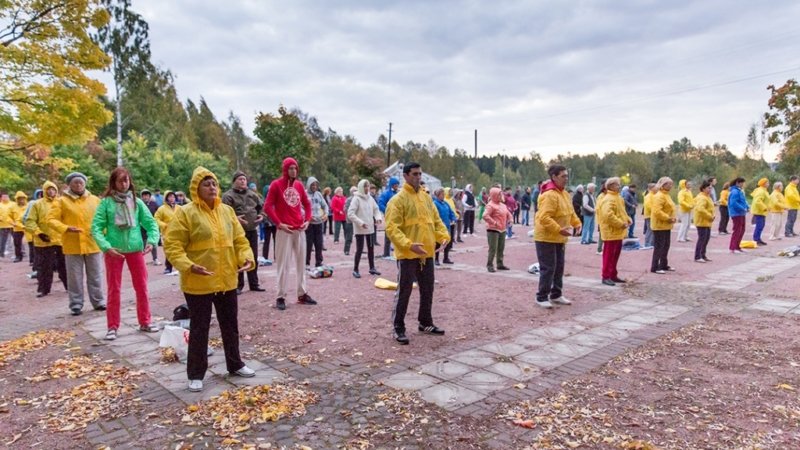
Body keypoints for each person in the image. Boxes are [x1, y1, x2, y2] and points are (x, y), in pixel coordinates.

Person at [163, 167, 257, 393]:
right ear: (196, 188)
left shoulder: (226, 211)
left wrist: (245, 257)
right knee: (200, 328)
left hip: (226, 279)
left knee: (230, 324)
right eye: (206, 184)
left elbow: (240, 240)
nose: (212, 188)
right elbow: (172, 245)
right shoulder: (185, 213)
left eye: (214, 183)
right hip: (198, 282)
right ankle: (195, 374)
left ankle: (235, 364)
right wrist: (189, 266)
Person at [91, 167, 160, 340]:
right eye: (121, 180)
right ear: (113, 182)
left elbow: (151, 223)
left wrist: (152, 241)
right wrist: (106, 247)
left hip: (136, 250)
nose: (124, 184)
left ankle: (145, 321)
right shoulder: (106, 203)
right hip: (114, 251)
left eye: (127, 180)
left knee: (142, 287)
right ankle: (112, 326)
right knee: (114, 289)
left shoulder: (136, 202)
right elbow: (96, 228)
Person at [385, 162, 450, 345]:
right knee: (404, 291)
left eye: (420, 174)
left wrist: (444, 236)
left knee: (428, 289)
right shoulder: (397, 200)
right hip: (408, 254)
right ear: (405, 176)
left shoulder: (426, 198)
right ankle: (398, 327)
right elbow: (391, 228)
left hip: (427, 253)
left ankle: (425, 322)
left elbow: (436, 221)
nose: (418, 177)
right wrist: (408, 245)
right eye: (414, 174)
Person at [46, 172, 106, 315]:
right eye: (75, 182)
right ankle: (76, 304)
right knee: (74, 277)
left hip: (93, 243)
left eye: (81, 182)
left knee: (96, 274)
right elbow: (51, 220)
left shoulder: (95, 200)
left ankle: (98, 301)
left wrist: (101, 231)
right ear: (69, 185)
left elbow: (104, 219)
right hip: (72, 245)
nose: (78, 185)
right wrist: (66, 228)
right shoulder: (61, 201)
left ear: (85, 183)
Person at [263, 157, 318, 311]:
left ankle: (302, 293)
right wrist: (279, 223)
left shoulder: (299, 185)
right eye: (290, 168)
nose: (293, 171)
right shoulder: (276, 185)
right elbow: (267, 206)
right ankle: (281, 296)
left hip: (299, 229)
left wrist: (307, 220)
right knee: (283, 264)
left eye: (295, 168)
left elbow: (307, 204)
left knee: (302, 263)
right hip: (284, 230)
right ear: (285, 169)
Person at [534, 165, 582, 308]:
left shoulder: (565, 194)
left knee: (559, 267)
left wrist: (577, 223)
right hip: (546, 237)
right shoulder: (549, 194)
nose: (566, 179)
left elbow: (570, 212)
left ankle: (556, 294)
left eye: (567, 176)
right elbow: (544, 217)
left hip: (559, 238)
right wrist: (559, 229)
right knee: (548, 268)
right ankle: (541, 297)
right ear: (554, 177)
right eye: (563, 176)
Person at [222, 171, 266, 294]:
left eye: (244, 179)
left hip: (252, 230)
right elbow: (223, 213)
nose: (243, 181)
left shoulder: (253, 195)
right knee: (237, 259)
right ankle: (238, 285)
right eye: (240, 179)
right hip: (235, 233)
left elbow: (262, 206)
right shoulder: (228, 196)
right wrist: (235, 218)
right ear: (234, 181)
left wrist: (262, 215)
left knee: (253, 257)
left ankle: (254, 283)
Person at [25, 181, 68, 297]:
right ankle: (44, 289)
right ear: (44, 191)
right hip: (43, 241)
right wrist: (39, 233)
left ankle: (69, 286)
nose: (51, 191)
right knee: (44, 267)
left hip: (60, 240)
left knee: (64, 265)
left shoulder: (61, 203)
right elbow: (29, 221)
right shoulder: (37, 204)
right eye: (48, 189)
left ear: (56, 190)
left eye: (53, 189)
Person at [597, 177, 631, 286]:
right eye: (616, 184)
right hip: (611, 231)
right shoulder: (608, 198)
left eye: (619, 184)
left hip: (618, 232)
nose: (619, 186)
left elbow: (622, 212)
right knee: (608, 255)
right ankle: (606, 276)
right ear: (610, 186)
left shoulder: (618, 198)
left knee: (615, 255)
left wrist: (627, 219)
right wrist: (620, 223)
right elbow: (608, 215)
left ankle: (612, 274)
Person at [348, 179, 383, 278]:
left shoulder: (370, 198)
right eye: (365, 186)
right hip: (360, 229)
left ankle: (372, 267)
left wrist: (378, 218)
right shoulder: (356, 199)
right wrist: (360, 223)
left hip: (370, 228)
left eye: (368, 186)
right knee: (359, 249)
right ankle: (355, 269)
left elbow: (376, 209)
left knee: (371, 248)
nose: (367, 188)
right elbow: (350, 214)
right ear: (360, 188)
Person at [650, 177, 677, 274]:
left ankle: (663, 264)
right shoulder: (659, 196)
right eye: (668, 184)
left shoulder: (667, 195)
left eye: (671, 184)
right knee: (659, 246)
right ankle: (655, 266)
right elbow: (657, 211)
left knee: (666, 245)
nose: (670, 186)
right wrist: (668, 218)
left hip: (666, 225)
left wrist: (672, 217)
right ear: (663, 185)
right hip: (659, 225)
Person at [483, 187, 512, 273]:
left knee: (501, 248)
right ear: (494, 195)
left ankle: (500, 264)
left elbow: (508, 213)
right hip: (493, 229)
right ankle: (489, 265)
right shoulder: (490, 205)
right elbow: (485, 216)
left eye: (501, 194)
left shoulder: (502, 205)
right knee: (493, 249)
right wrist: (494, 223)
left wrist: (510, 220)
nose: (501, 196)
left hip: (502, 229)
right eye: (499, 194)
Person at [154, 191, 181, 275]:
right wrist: (164, 225)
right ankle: (168, 268)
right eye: (169, 197)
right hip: (167, 233)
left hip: (179, 232)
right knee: (169, 250)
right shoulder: (162, 208)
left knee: (180, 250)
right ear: (166, 198)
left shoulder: (180, 208)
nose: (171, 198)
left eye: (173, 197)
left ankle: (180, 267)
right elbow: (156, 219)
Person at [304, 176, 327, 268]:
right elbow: (300, 208)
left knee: (319, 244)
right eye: (312, 185)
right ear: (309, 185)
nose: (314, 187)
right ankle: (306, 263)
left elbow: (325, 206)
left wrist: (326, 214)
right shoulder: (304, 194)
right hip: (309, 224)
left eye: (316, 185)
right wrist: (307, 217)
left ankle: (319, 262)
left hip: (319, 223)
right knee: (308, 244)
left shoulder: (319, 194)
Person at [432, 188, 456, 265]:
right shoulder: (435, 204)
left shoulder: (445, 203)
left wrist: (453, 219)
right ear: (438, 195)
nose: (443, 196)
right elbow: (435, 215)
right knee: (438, 243)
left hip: (447, 226)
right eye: (442, 194)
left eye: (444, 194)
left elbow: (451, 212)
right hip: (439, 227)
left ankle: (446, 258)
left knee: (447, 242)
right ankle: (436, 259)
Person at [693, 180, 715, 263]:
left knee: (706, 239)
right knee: (702, 239)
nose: (710, 189)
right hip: (702, 221)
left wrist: (712, 215)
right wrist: (709, 216)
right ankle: (697, 256)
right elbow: (700, 209)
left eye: (711, 188)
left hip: (707, 222)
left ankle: (703, 254)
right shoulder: (702, 197)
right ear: (703, 189)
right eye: (708, 188)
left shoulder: (707, 197)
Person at [378, 177, 400, 258]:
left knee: (398, 234)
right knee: (388, 234)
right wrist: (387, 211)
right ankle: (386, 253)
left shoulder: (398, 193)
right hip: (389, 217)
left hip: (398, 217)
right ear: (392, 185)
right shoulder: (386, 193)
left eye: (397, 184)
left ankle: (398, 252)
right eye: (395, 184)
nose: (397, 186)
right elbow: (380, 203)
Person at [728, 177, 749, 253]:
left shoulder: (740, 191)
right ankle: (732, 247)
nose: (743, 184)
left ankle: (737, 246)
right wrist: (742, 208)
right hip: (736, 214)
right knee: (737, 230)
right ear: (737, 183)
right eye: (742, 183)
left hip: (742, 213)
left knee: (742, 230)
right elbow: (734, 203)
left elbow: (744, 200)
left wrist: (747, 206)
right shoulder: (734, 192)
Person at [140, 189, 161, 265]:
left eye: (147, 195)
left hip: (151, 227)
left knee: (153, 243)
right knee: (142, 243)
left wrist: (156, 223)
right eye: (144, 195)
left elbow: (158, 213)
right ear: (142, 196)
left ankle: (155, 259)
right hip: (141, 227)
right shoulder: (140, 204)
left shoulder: (154, 204)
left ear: (149, 196)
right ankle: (141, 259)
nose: (145, 197)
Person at [751, 178, 770, 246]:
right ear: (764, 184)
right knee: (759, 226)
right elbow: (758, 201)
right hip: (759, 211)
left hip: (761, 211)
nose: (768, 184)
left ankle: (758, 239)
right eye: (767, 183)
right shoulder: (761, 191)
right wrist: (764, 208)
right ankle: (756, 239)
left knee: (761, 226)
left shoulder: (763, 190)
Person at [10, 191, 28, 262]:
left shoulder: (28, 206)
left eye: (22, 199)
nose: (21, 200)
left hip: (27, 227)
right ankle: (18, 256)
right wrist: (12, 222)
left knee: (31, 243)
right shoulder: (13, 207)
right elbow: (8, 216)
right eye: (19, 199)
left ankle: (32, 259)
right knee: (17, 243)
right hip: (17, 227)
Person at [343, 186, 357, 256]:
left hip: (357, 221)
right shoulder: (349, 199)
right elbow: (345, 209)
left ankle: (359, 250)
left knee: (359, 236)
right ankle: (346, 250)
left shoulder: (358, 199)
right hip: (350, 221)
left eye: (356, 191)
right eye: (353, 191)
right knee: (349, 237)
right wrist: (349, 217)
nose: (355, 192)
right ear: (351, 192)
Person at [642, 183, 657, 249]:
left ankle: (651, 243)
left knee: (652, 229)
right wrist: (655, 212)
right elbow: (649, 206)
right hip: (649, 215)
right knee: (650, 229)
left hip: (652, 215)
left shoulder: (653, 195)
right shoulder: (649, 196)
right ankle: (648, 243)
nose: (657, 188)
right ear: (651, 188)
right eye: (655, 187)